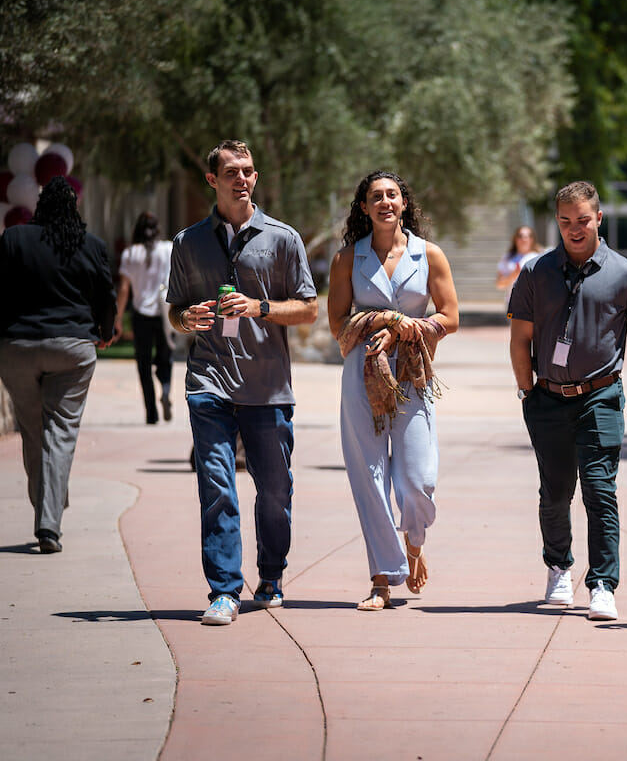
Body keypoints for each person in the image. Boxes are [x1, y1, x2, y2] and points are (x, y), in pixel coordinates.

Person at [166, 140, 318, 626]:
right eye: (232, 171)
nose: (242, 179)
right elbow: (175, 311)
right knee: (217, 487)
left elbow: (309, 308)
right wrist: (185, 318)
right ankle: (225, 591)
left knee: (274, 491)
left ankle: (270, 575)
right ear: (212, 180)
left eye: (248, 171)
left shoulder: (282, 238)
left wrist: (259, 308)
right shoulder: (187, 242)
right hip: (208, 380)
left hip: (267, 387)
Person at [508, 180, 627, 622]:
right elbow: (520, 339)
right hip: (548, 400)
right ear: (556, 222)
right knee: (556, 493)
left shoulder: (626, 272)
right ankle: (559, 567)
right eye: (565, 222)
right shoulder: (535, 272)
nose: (575, 230)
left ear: (599, 218)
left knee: (600, 490)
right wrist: (527, 391)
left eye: (582, 220)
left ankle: (602, 585)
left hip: (601, 397)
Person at [328, 171, 459, 611]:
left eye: (392, 195)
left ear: (405, 203)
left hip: (412, 378)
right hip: (361, 378)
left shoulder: (430, 255)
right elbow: (337, 325)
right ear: (363, 208)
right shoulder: (347, 259)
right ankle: (382, 579)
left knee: (418, 480)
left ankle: (415, 541)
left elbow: (450, 317)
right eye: (375, 197)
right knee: (369, 477)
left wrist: (406, 330)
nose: (385, 202)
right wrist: (381, 323)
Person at [0, 176, 117, 554]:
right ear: (74, 207)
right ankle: (49, 522)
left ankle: (47, 511)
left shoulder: (14, 239)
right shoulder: (91, 244)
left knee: (33, 432)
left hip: (17, 348)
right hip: (72, 349)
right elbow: (105, 294)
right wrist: (105, 330)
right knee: (60, 433)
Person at [115, 212, 175, 424]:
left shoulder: (131, 253)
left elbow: (123, 288)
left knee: (143, 365)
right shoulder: (168, 249)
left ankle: (151, 413)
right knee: (165, 358)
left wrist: (118, 319)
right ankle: (166, 389)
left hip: (141, 315)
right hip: (164, 314)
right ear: (156, 229)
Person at [495, 225, 543, 302]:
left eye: (528, 236)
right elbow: (499, 284)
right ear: (515, 239)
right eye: (520, 236)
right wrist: (513, 275)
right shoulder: (508, 258)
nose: (524, 239)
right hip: (513, 303)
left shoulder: (540, 257)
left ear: (532, 239)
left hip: (535, 304)